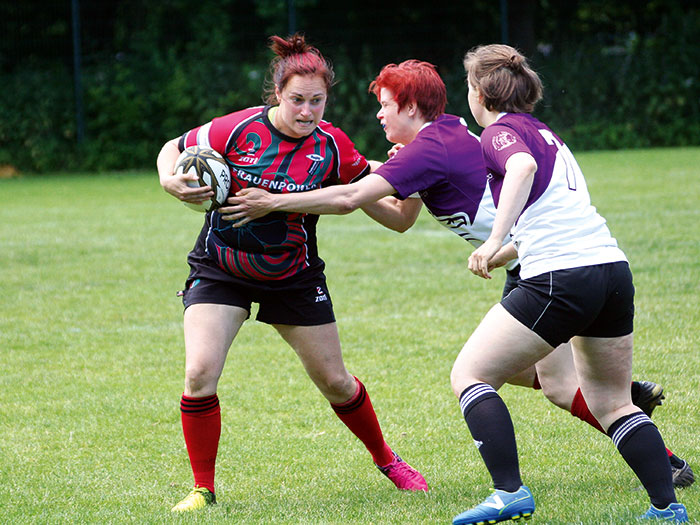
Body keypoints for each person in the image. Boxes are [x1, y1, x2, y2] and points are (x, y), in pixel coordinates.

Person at [223, 58, 694, 494]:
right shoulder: (435, 142)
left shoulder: (431, 146)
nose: (380, 117)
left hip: (542, 265)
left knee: (489, 375)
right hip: (538, 261)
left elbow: (348, 199)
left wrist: (276, 199)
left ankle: (521, 485)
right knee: (550, 382)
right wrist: (368, 177)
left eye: (385, 106)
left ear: (409, 106)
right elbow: (400, 218)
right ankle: (653, 442)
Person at [156, 34, 428, 514]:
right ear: (277, 95)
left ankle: (387, 459)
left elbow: (397, 217)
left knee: (337, 382)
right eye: (297, 100)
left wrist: (416, 181)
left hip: (294, 275)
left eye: (317, 101)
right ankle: (203, 488)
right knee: (199, 373)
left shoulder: (332, 146)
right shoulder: (237, 129)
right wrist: (169, 179)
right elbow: (171, 147)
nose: (307, 111)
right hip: (222, 268)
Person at [448, 44, 688, 523]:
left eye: (469, 88)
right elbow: (555, 216)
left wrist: (494, 239)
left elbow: (521, 169)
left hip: (562, 276)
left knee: (471, 375)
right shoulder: (546, 133)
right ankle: (667, 508)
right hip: (611, 271)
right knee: (613, 403)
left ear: (480, 92)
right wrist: (509, 250)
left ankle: (509, 493)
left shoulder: (498, 132)